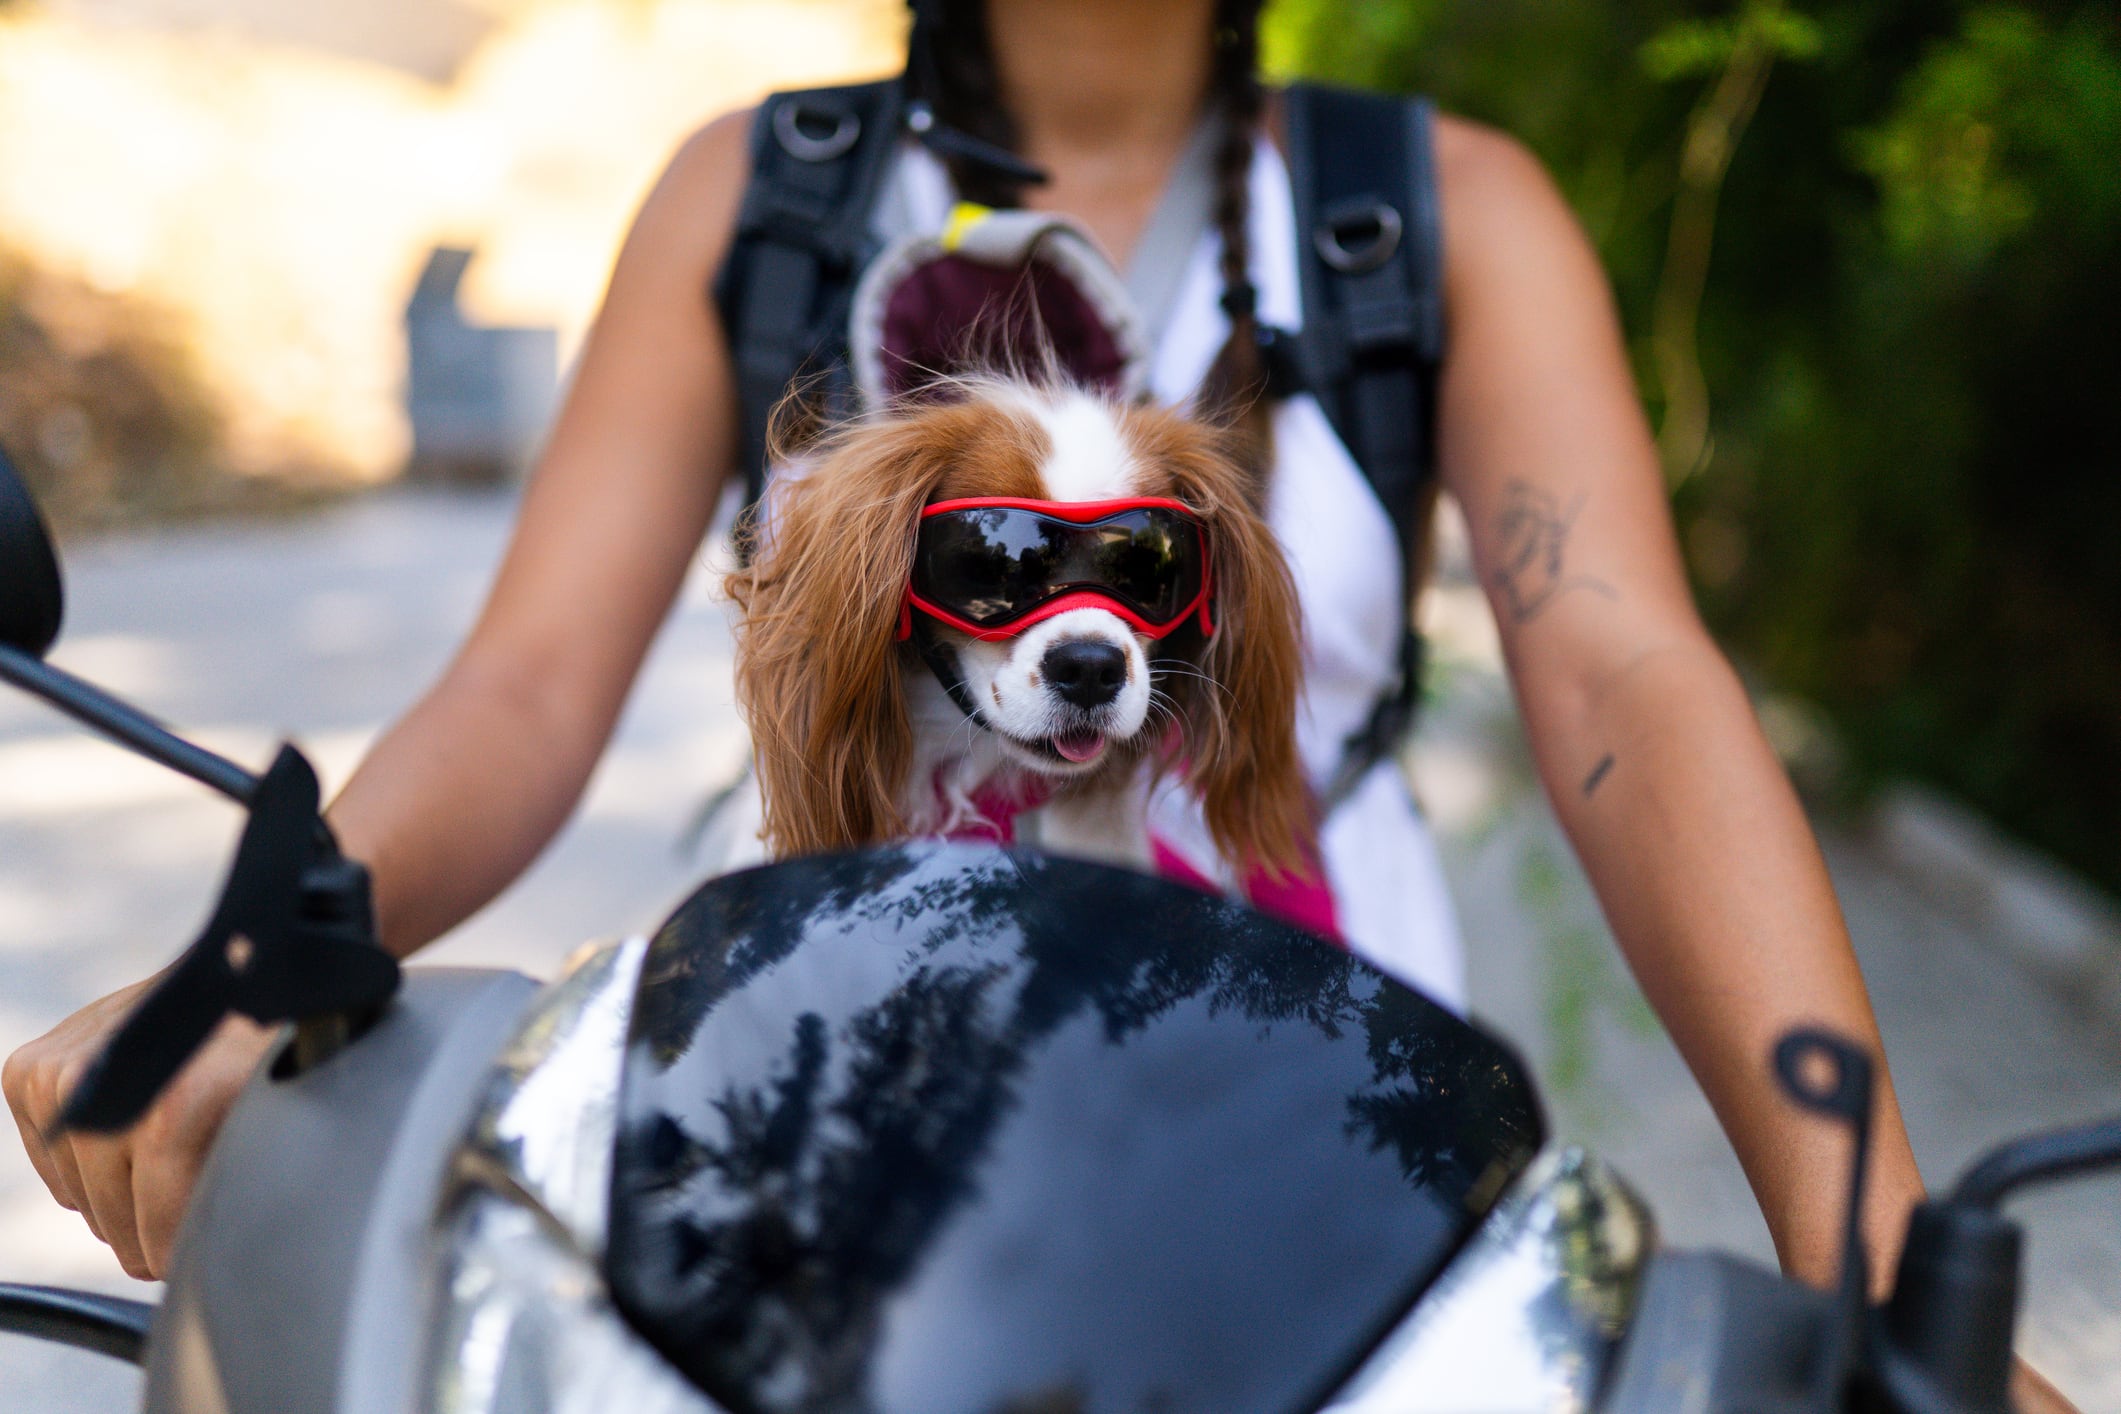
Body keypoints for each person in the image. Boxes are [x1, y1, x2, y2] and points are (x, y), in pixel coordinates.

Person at [0, 2, 2075, 1405]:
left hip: (1326, 1146)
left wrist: (1886, 1259)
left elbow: (1619, 666)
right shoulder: (765, 199)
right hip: (791, 1109)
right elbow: (531, 687)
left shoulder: (1434, 217)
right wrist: (234, 986)